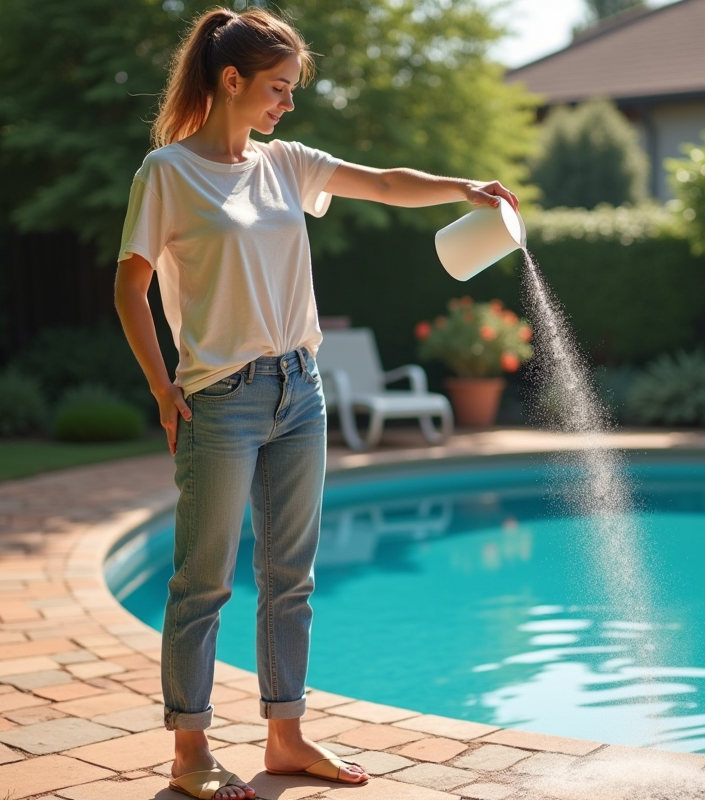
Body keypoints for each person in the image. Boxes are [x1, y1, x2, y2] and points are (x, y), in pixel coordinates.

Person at [114, 7, 519, 799]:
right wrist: (162, 386)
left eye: (291, 90)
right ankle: (190, 753)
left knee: (289, 576)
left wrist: (462, 190)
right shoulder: (165, 172)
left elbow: (381, 182)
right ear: (231, 80)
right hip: (218, 400)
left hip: (301, 390)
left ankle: (285, 737)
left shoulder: (284, 163)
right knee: (203, 582)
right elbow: (131, 286)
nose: (286, 105)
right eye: (277, 88)